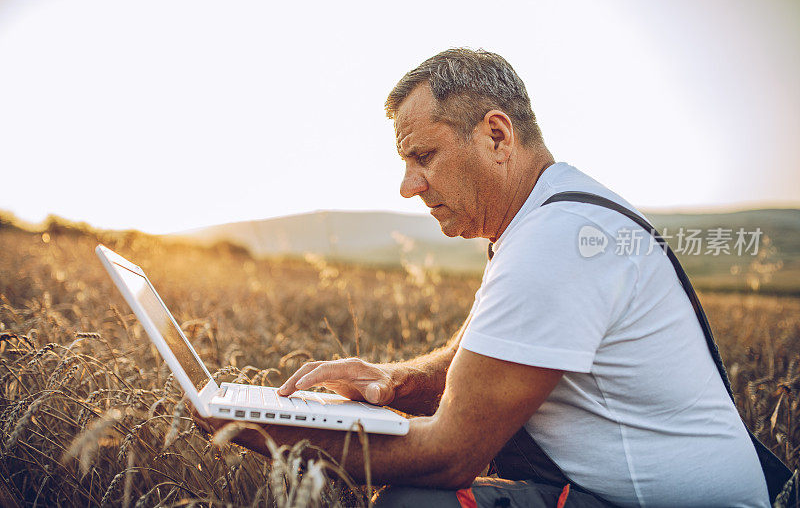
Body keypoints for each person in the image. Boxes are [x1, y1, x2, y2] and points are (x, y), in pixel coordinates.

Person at [196, 48, 770, 507]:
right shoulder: (546, 218)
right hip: (622, 491)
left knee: (414, 506)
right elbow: (486, 356)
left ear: (497, 135)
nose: (407, 185)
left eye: (423, 156)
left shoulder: (555, 242)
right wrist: (393, 382)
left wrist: (264, 431)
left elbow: (452, 454)